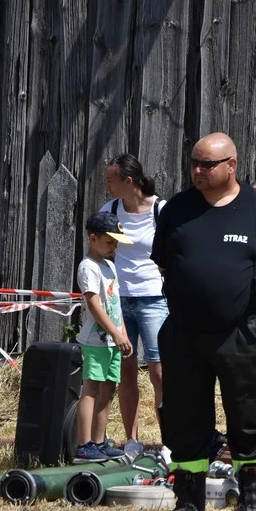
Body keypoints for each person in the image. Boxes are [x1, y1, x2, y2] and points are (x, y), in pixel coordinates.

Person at [151, 132, 256, 511]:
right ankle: (188, 508)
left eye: (207, 165)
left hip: (243, 335)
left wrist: (250, 302)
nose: (197, 171)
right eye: (194, 163)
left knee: (249, 421)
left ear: (231, 165)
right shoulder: (177, 210)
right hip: (184, 334)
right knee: (185, 421)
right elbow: (166, 264)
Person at [102, 154, 168, 442]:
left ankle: (170, 441)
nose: (107, 186)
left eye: (110, 180)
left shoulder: (161, 210)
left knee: (159, 372)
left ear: (129, 181)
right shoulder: (111, 210)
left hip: (154, 298)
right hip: (120, 300)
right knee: (126, 371)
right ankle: (132, 440)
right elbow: (99, 249)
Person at [74, 212, 134, 461]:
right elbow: (95, 304)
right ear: (93, 239)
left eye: (116, 242)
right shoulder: (88, 267)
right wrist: (113, 332)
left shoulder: (109, 266)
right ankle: (84, 444)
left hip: (113, 340)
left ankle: (99, 442)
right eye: (109, 242)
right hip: (96, 341)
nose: (114, 247)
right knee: (91, 389)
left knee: (108, 390)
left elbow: (115, 303)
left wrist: (123, 334)